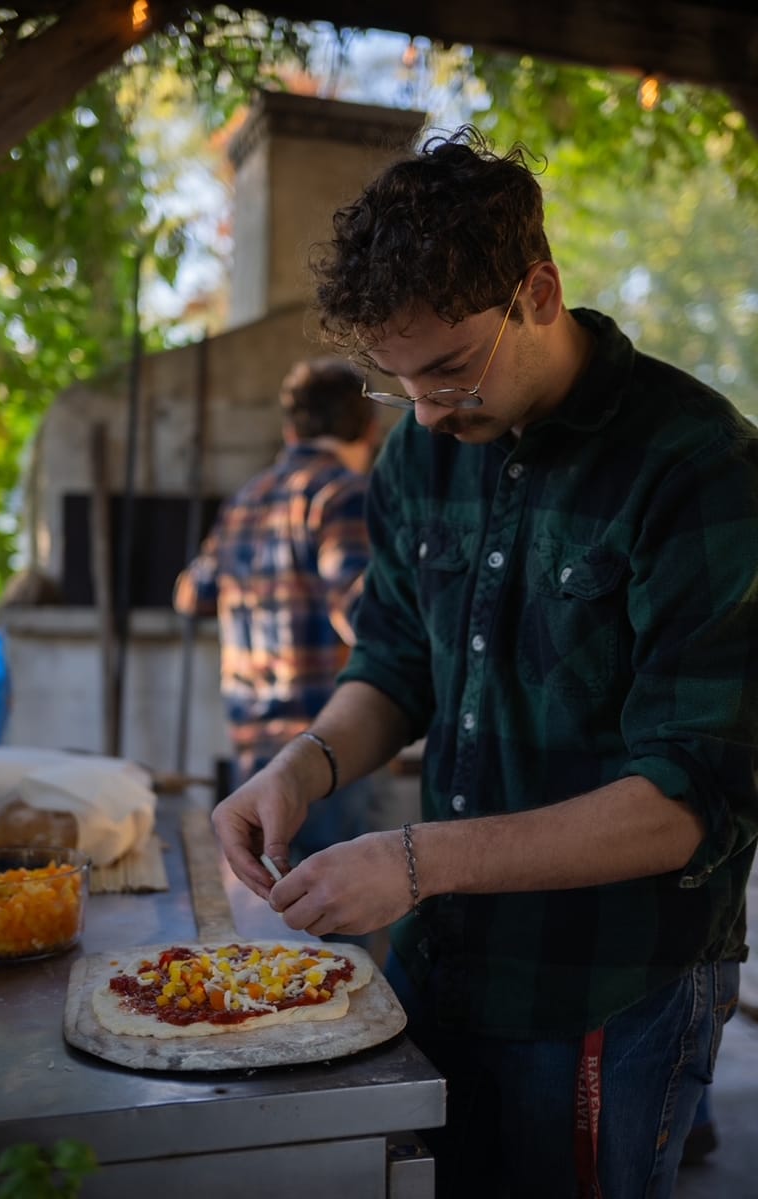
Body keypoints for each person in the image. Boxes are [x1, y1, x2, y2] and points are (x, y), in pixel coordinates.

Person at [210, 128, 758, 1198]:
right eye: (393, 381)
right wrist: (304, 764)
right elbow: (396, 660)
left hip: (608, 977)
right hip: (444, 958)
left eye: (451, 368)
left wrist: (412, 860)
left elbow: (691, 798)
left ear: (539, 292)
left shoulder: (699, 468)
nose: (422, 412)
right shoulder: (422, 449)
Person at [174, 356, 379, 863]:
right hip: (325, 749)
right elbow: (363, 615)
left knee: (268, 915)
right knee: (331, 923)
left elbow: (189, 595)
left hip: (253, 742)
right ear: (372, 429)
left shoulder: (246, 497)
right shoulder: (345, 494)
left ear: (290, 430)